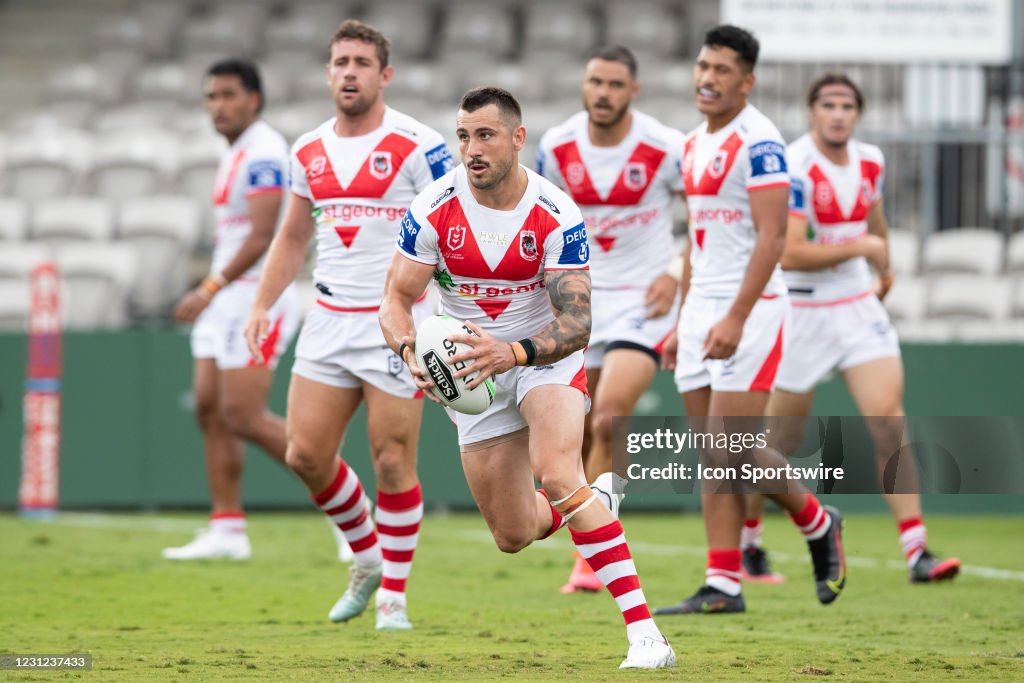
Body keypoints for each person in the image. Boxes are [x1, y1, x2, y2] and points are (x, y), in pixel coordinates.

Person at [379, 86, 676, 669]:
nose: (471, 149)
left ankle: (647, 636)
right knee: (514, 534)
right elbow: (395, 298)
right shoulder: (432, 207)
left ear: (518, 138)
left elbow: (578, 324)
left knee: (560, 472)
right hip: (469, 374)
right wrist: (408, 347)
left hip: (541, 358)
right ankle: (595, 504)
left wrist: (511, 353)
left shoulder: (556, 213)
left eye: (485, 135)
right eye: (463, 136)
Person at [243, 20, 453, 631]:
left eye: (363, 62)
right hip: (329, 318)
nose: (350, 72)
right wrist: (262, 304)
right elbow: (291, 235)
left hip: (397, 321)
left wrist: (448, 316)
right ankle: (365, 557)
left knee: (391, 462)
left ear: (385, 75)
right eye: (341, 62)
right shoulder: (307, 148)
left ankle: (393, 597)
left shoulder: (421, 145)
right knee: (304, 453)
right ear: (328, 72)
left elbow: (448, 232)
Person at [655, 26, 846, 615]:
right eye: (702, 66)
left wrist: (735, 315)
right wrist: (681, 319)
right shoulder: (691, 144)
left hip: (752, 307)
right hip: (701, 307)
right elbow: (699, 238)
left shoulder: (761, 142)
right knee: (712, 451)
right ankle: (724, 585)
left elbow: (773, 239)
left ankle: (816, 521)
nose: (707, 78)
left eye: (722, 70)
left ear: (747, 80)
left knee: (731, 449)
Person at [739, 73, 960, 585]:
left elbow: (874, 216)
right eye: (828, 105)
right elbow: (790, 252)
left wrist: (883, 266)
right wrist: (863, 249)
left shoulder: (870, 160)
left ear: (857, 113)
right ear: (812, 111)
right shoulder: (795, 165)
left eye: (847, 105)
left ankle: (917, 552)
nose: (838, 114)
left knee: (889, 422)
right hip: (803, 311)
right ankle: (751, 545)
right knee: (779, 440)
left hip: (857, 308)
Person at [536, 45, 686, 594]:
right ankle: (592, 539)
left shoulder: (665, 147)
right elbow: (538, 213)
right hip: (580, 301)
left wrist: (675, 269)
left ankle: (593, 555)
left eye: (615, 84)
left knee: (610, 418)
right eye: (595, 81)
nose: (603, 93)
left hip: (642, 303)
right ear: (584, 84)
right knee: (572, 431)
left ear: (634, 90)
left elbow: (710, 214)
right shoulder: (556, 146)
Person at [164, 59, 301, 562]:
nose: (217, 106)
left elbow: (266, 235)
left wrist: (210, 285)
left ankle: (346, 501)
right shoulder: (235, 151)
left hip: (253, 296)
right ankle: (227, 527)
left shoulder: (264, 150)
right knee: (209, 407)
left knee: (243, 413)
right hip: (225, 298)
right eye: (211, 97)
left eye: (227, 95)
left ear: (254, 100)